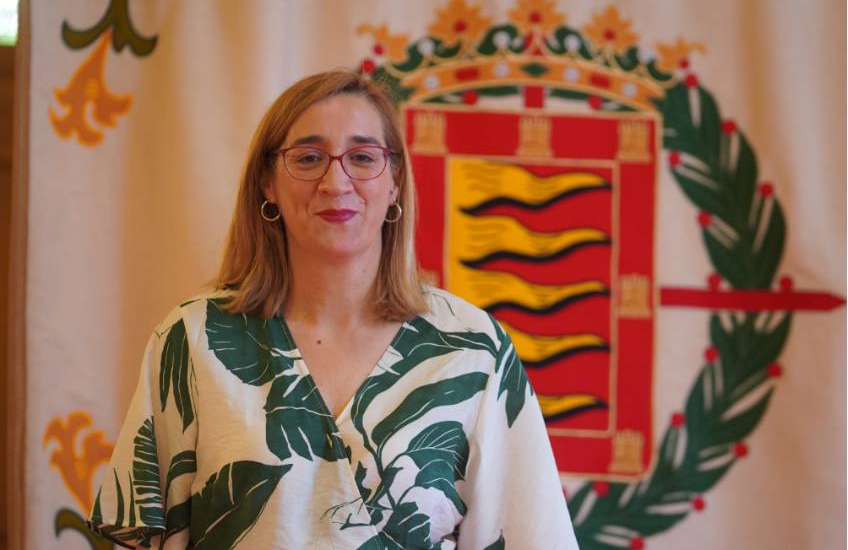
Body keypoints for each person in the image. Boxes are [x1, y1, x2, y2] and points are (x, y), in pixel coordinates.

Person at [87, 69, 579, 549]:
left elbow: (531, 536)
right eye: (308, 158)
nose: (335, 181)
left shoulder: (474, 348)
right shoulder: (192, 339)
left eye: (362, 157)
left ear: (394, 183)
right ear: (267, 183)